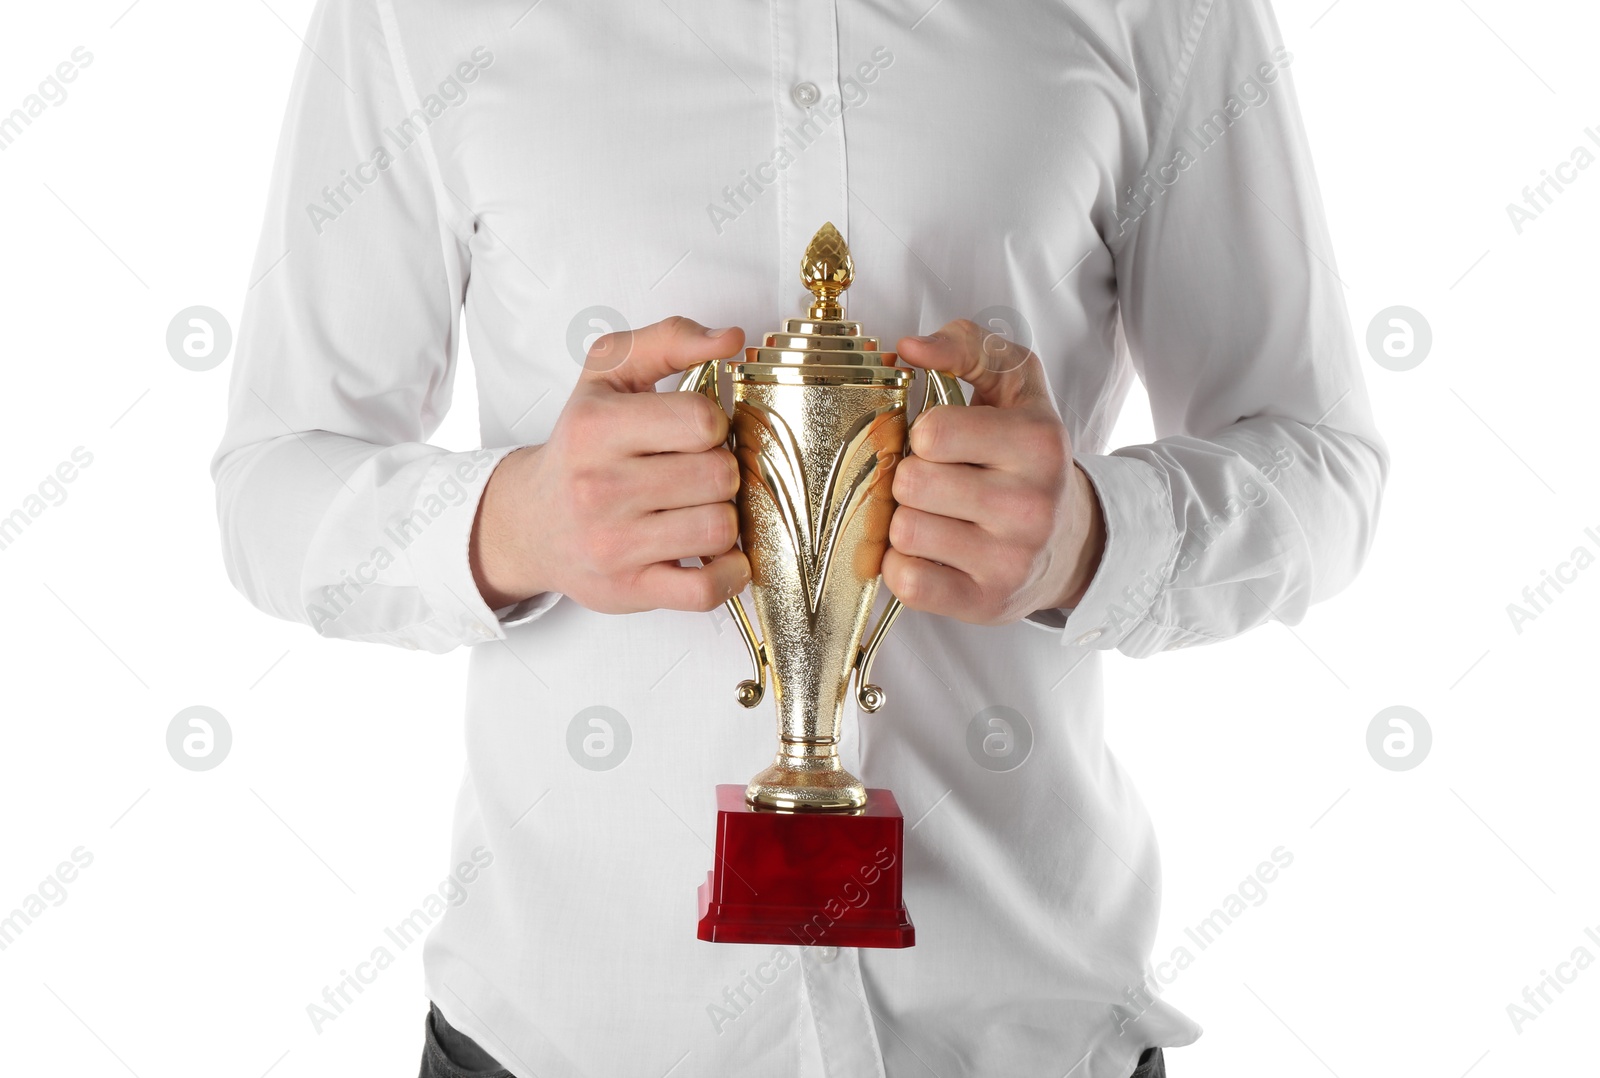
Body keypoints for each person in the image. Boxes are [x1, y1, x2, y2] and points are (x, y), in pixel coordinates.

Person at [212, 0, 1386, 1074]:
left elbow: (1320, 461)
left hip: (1022, 1031)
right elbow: (271, 484)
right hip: (556, 1040)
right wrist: (514, 523)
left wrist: (1091, 538)